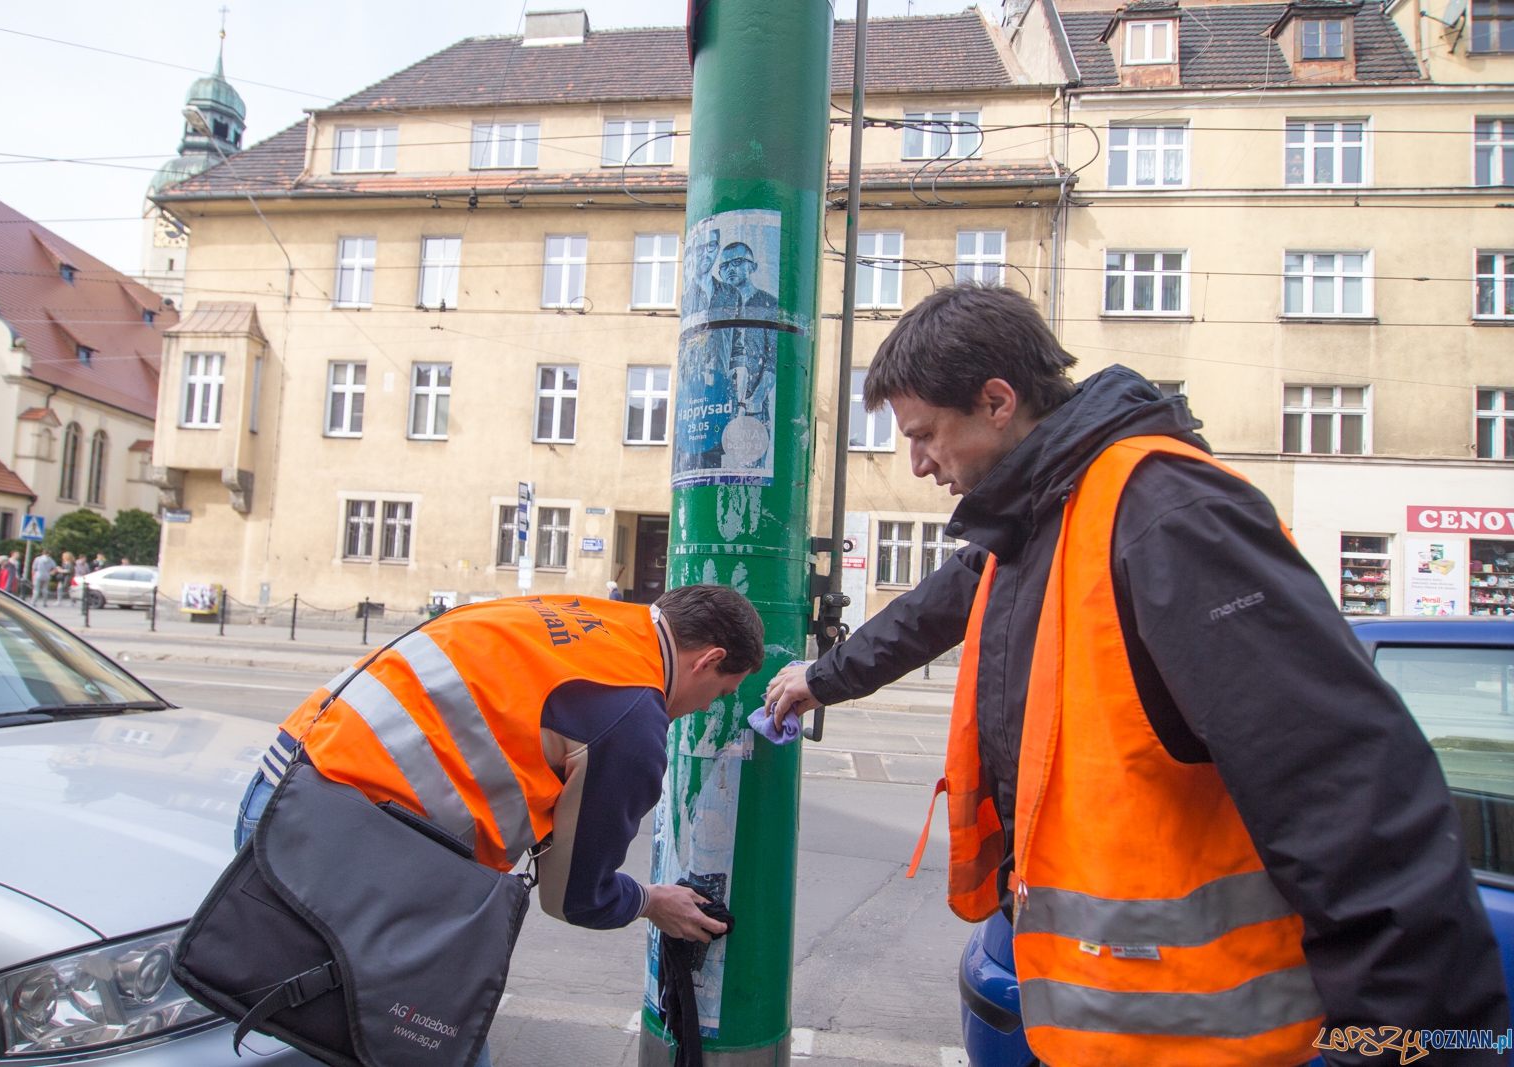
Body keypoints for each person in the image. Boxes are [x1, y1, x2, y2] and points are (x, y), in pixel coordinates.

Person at [765, 285, 1509, 1064]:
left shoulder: (1165, 512)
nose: (917, 464)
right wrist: (822, 678)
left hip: (1213, 1039)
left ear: (996, 401)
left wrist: (1412, 1047)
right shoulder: (1034, 518)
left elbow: (1349, 793)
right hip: (1111, 1027)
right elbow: (930, 609)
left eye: (924, 435)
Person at [236, 585, 759, 1045]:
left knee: (308, 1029)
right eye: (720, 693)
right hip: (347, 845)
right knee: (429, 1042)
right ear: (707, 661)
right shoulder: (631, 717)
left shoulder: (579, 612)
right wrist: (651, 901)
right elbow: (576, 898)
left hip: (284, 788)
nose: (706, 708)